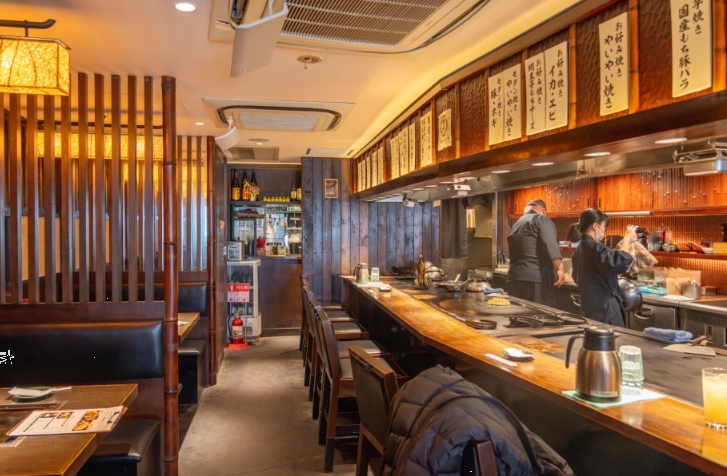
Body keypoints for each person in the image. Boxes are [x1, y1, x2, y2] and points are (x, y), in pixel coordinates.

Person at [572, 208, 636, 327]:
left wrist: (608, 277)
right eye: (603, 227)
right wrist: (627, 239)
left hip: (589, 308)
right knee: (612, 338)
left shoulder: (579, 249)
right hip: (605, 310)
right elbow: (621, 259)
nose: (603, 231)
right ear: (595, 226)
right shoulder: (595, 248)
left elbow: (581, 275)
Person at [506, 198, 564, 306]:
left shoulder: (516, 224)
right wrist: (559, 269)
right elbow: (550, 243)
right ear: (544, 210)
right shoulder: (541, 219)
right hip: (535, 279)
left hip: (514, 278)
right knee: (537, 314)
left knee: (518, 313)